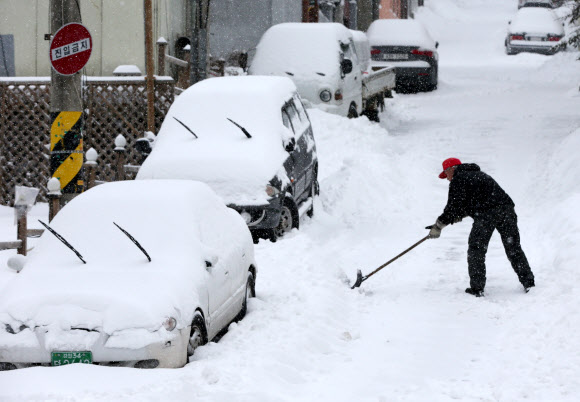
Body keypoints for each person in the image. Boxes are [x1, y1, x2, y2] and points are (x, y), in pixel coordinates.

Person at [427, 158, 535, 297]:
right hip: (507, 211)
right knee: (513, 247)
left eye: (446, 174)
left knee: (476, 249)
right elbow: (467, 206)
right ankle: (529, 282)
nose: (447, 179)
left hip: (486, 215)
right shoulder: (479, 175)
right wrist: (450, 220)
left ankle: (477, 288)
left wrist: (438, 226)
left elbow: (453, 207)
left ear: (451, 169)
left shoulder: (458, 179)